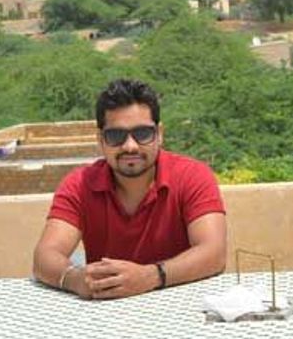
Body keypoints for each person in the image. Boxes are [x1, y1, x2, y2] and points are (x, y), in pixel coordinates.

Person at [33, 78, 227, 299]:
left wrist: (150, 277)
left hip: (181, 303)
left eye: (142, 133)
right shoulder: (80, 185)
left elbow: (214, 252)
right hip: (108, 312)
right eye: (116, 136)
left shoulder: (192, 176)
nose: (130, 146)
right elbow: (45, 256)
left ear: (159, 134)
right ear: (100, 139)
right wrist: (75, 280)